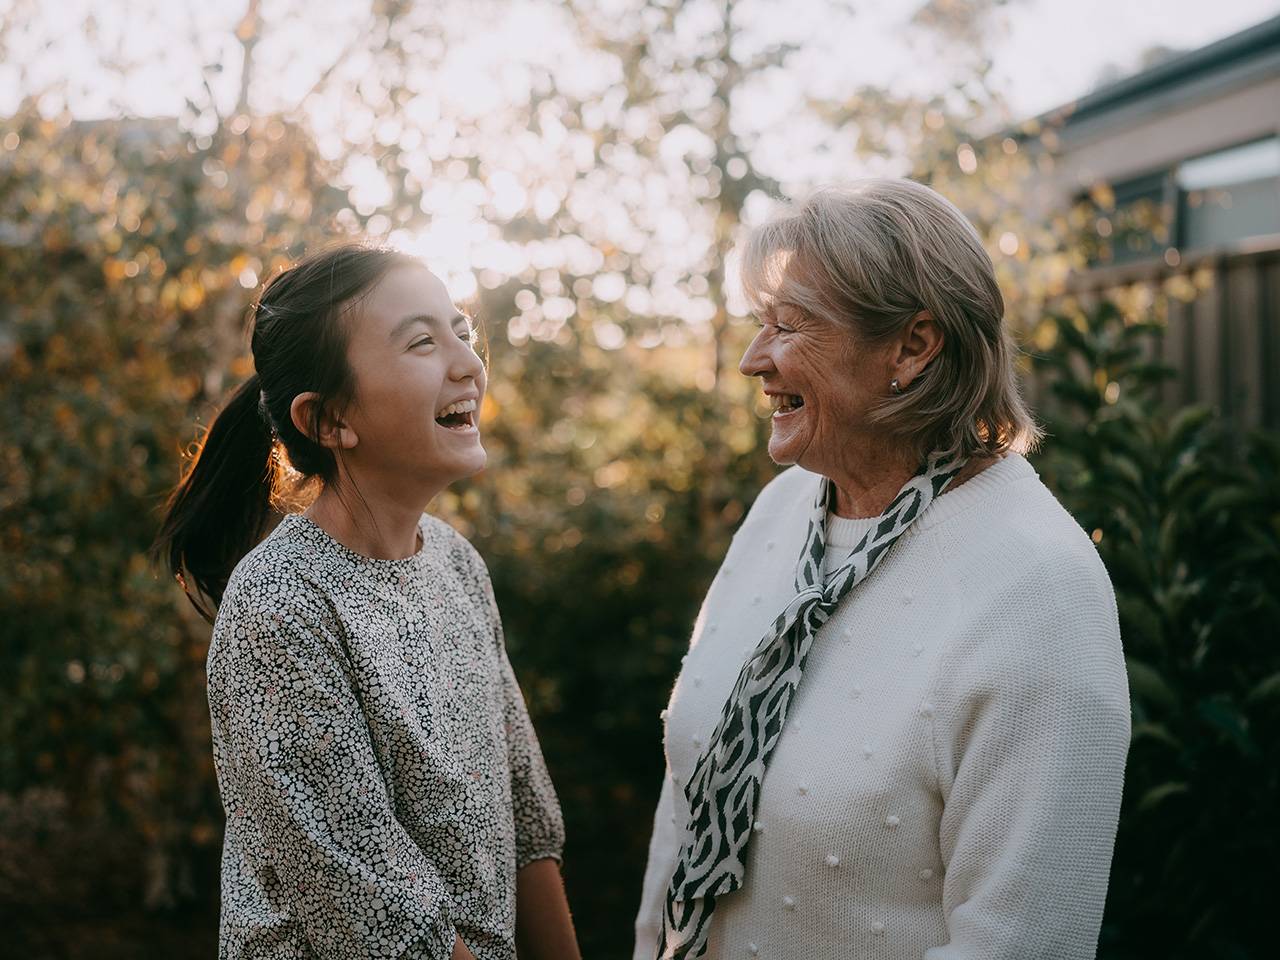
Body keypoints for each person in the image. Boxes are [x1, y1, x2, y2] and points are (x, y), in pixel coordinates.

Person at [634, 179, 1130, 960]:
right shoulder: (780, 513)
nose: (751, 360)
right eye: (760, 324)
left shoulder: (1039, 589)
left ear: (912, 346)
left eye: (789, 325)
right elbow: (686, 807)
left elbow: (1020, 942)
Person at [154, 244, 579, 960]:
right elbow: (382, 922)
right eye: (421, 341)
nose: (468, 363)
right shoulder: (281, 604)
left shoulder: (456, 564)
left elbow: (527, 820)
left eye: (461, 330)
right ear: (327, 421)